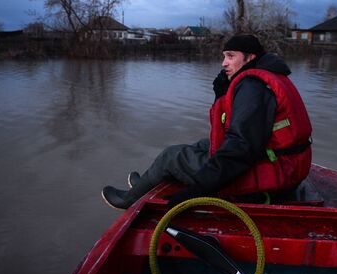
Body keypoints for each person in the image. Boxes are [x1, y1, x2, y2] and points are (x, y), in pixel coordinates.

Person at [102, 34, 312, 209]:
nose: (224, 63)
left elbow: (240, 146)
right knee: (202, 145)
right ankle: (150, 182)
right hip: (283, 166)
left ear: (249, 58)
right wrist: (221, 95)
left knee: (172, 156)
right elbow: (234, 128)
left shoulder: (252, 87)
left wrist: (197, 190)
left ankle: (129, 200)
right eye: (224, 56)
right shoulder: (270, 75)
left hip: (272, 178)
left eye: (230, 56)